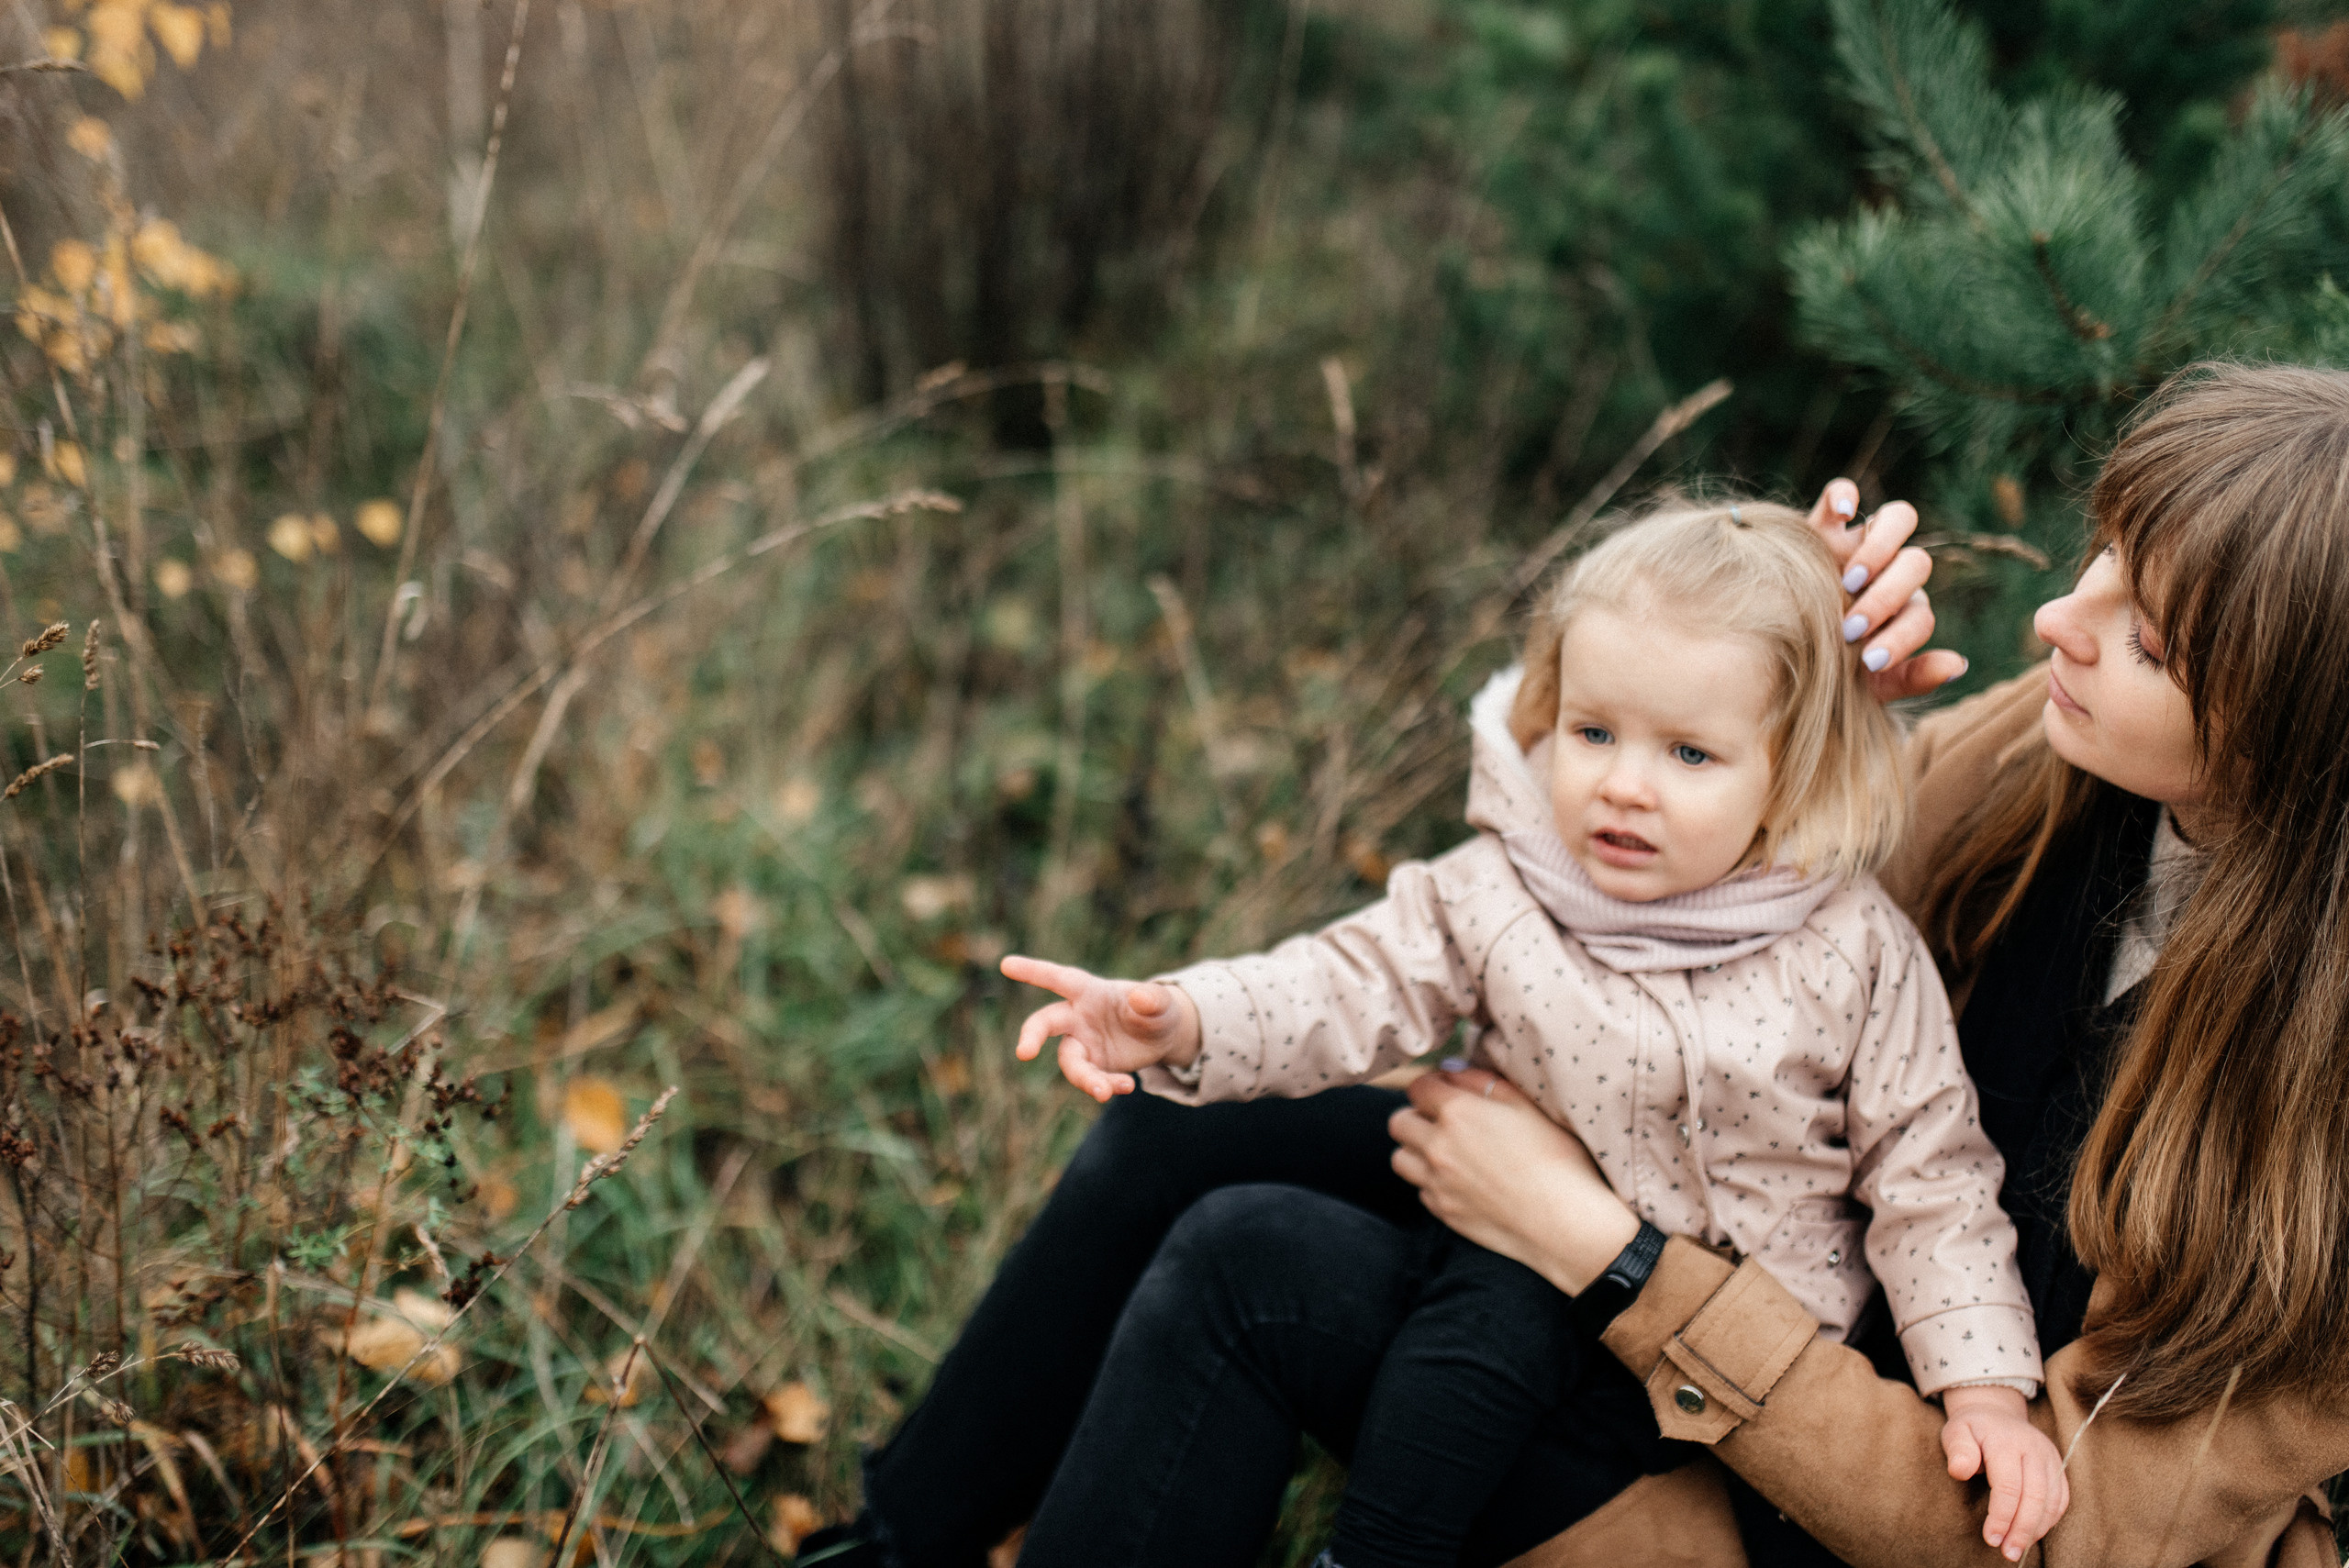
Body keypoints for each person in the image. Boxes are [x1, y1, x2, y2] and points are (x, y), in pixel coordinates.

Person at [796, 360, 2348, 1568]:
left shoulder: (2322, 1118)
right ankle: (902, 1537)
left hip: (1816, 1474)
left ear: (2300, 733)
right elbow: (1783, 921)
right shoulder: (2067, 753)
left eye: (2150, 637)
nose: (2060, 623)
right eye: (2097, 562)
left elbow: (2055, 1537)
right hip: (1742, 1226)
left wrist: (1604, 1249)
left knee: (1254, 1262)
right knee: (1181, 1122)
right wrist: (1784, 689)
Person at [996, 497, 2065, 1568]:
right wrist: (1181, 1015)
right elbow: (1347, 979)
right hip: (1519, 1255)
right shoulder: (1511, 885)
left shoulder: (1852, 948)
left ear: (1789, 771)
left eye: (1690, 754)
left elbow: (1929, 1179)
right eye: (1593, 732)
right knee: (1485, 1314)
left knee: (1478, 1299)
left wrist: (1985, 1390)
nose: (1623, 785)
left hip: (1713, 1351)